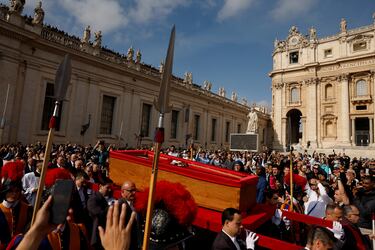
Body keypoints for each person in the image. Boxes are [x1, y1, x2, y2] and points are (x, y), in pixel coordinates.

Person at [87, 181, 111, 249]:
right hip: (96, 235)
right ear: (100, 186)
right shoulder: (93, 199)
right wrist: (109, 209)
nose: (109, 190)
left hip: (102, 235)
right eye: (107, 187)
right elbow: (97, 213)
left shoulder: (102, 199)